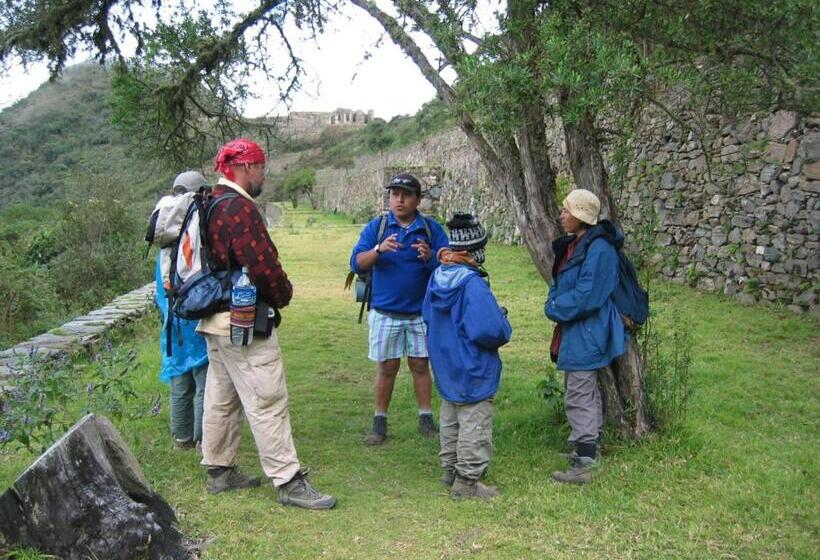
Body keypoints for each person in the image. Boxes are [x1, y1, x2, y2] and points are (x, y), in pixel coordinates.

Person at [197, 138, 336, 509]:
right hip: (243, 322)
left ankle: (220, 470)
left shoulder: (211, 201)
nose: (263, 176)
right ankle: (288, 480)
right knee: (268, 398)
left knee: (222, 397)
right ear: (245, 167)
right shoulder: (239, 208)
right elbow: (262, 265)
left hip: (214, 318)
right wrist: (283, 294)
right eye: (260, 168)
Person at [349, 172, 449, 445]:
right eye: (394, 194)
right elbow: (356, 263)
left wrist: (431, 257)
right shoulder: (378, 227)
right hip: (384, 312)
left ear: (418, 199)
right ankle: (379, 423)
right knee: (387, 367)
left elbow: (449, 262)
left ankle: (426, 419)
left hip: (421, 313)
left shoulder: (431, 229)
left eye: (406, 195)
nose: (399, 200)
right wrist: (379, 250)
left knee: (420, 365)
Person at [422, 213, 512, 499]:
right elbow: (490, 330)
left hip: (445, 361)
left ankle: (449, 470)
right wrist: (502, 319)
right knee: (475, 419)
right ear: (475, 250)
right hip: (473, 363)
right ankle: (467, 481)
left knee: (451, 415)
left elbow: (427, 315)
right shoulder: (472, 284)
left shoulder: (438, 276)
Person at [545, 189, 626, 484]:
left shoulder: (599, 249)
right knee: (582, 389)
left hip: (589, 328)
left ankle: (585, 461)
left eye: (567, 210)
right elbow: (561, 282)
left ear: (580, 216)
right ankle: (585, 447)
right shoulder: (577, 244)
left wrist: (555, 308)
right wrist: (554, 301)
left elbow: (588, 294)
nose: (562, 215)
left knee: (579, 392)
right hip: (579, 327)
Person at [155, 171, 210, 451]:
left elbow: (159, 288)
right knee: (203, 383)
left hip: (173, 322)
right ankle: (203, 440)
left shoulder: (165, 238)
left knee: (179, 381)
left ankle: (182, 439)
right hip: (197, 317)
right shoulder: (198, 230)